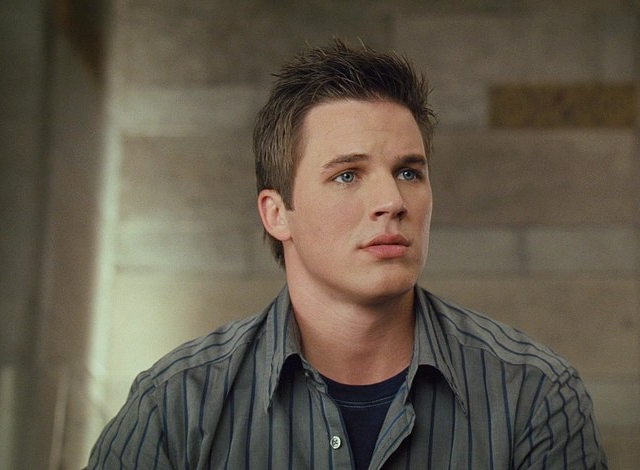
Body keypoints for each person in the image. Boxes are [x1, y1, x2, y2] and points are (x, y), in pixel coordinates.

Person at [87, 39, 607, 469]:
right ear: (277, 213)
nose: (392, 201)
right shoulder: (175, 406)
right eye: (347, 175)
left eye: (409, 172)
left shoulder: (533, 395)